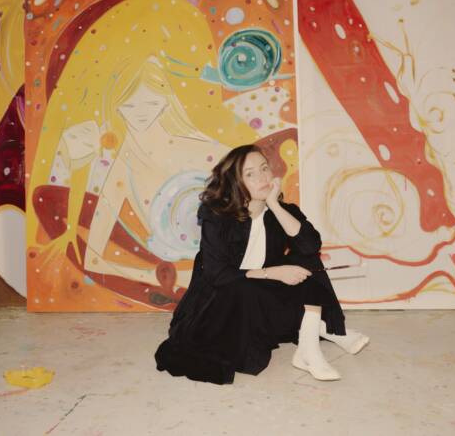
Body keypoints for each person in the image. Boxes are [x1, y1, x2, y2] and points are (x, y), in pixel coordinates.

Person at [155, 145, 369, 384]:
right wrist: (272, 272)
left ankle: (308, 349)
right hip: (223, 300)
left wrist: (274, 205)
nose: (262, 177)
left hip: (262, 293)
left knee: (306, 259)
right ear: (235, 182)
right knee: (245, 287)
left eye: (264, 168)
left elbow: (310, 245)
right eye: (250, 174)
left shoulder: (281, 212)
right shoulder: (217, 215)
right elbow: (218, 275)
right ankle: (321, 329)